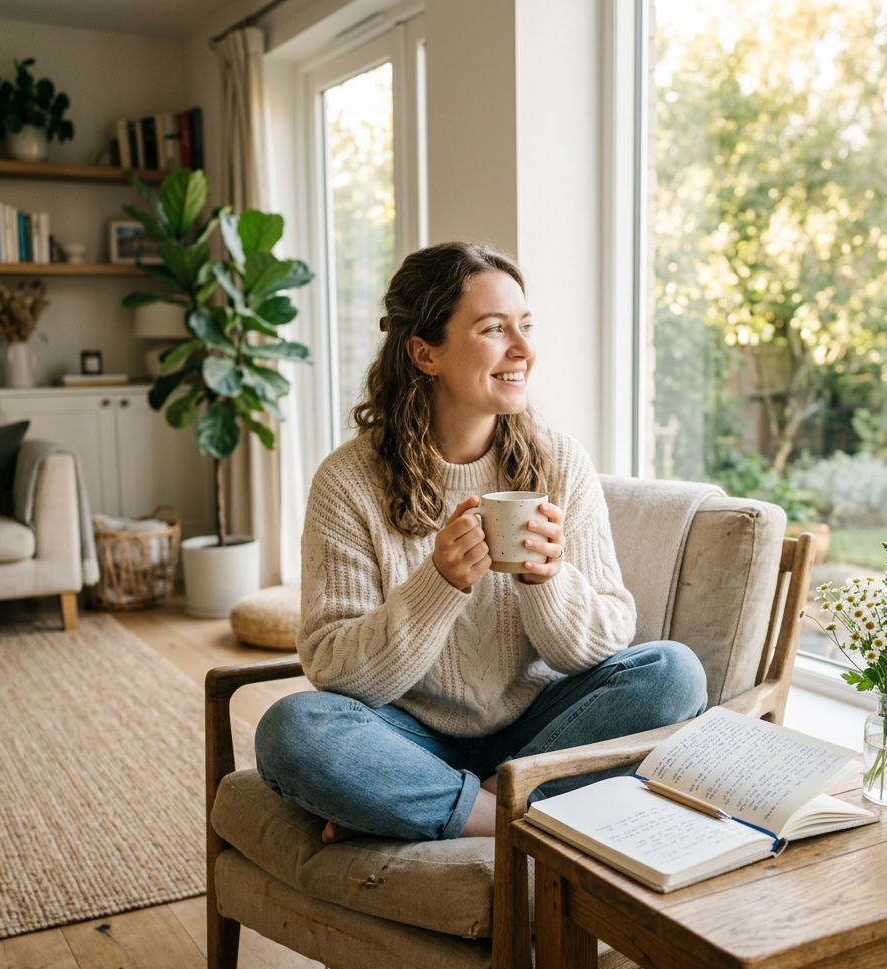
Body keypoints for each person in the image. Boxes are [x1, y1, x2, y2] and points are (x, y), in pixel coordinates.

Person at [255, 241, 707, 843]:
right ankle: (506, 816)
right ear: (424, 353)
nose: (524, 350)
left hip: (533, 728)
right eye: (495, 329)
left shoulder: (558, 461)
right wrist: (437, 587)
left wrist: (549, 582)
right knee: (293, 728)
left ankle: (438, 804)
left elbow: (604, 639)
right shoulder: (348, 481)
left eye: (525, 326)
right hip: (405, 729)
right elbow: (334, 670)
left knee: (674, 673)